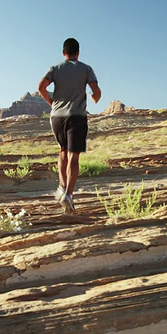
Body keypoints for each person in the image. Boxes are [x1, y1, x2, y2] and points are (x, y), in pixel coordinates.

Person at [38, 38, 101, 213]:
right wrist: (95, 98)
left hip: (57, 117)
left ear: (63, 53)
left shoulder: (55, 69)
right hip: (77, 116)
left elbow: (41, 87)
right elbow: (96, 92)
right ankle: (69, 194)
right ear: (78, 52)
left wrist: (52, 103)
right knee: (74, 156)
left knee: (63, 152)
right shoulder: (86, 69)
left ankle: (62, 187)